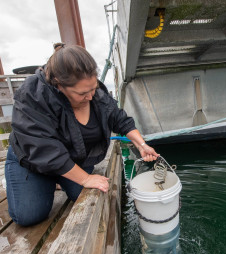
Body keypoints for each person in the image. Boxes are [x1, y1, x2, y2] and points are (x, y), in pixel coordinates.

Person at [5, 43, 159, 227]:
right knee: (29, 215)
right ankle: (42, 182)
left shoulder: (96, 92)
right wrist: (85, 178)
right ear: (59, 85)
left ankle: (60, 180)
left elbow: (119, 119)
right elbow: (44, 150)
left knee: (84, 194)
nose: (91, 96)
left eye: (93, 88)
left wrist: (142, 145)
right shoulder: (33, 94)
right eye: (83, 93)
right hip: (32, 160)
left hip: (70, 158)